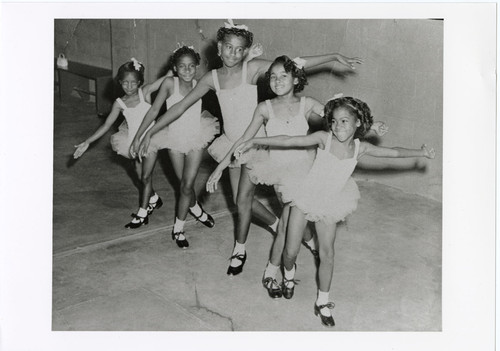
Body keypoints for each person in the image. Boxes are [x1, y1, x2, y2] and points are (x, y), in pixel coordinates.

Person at [134, 19, 363, 276]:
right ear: (219, 47)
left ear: (246, 51)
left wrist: (333, 56)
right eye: (229, 47)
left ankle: (305, 238)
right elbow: (180, 106)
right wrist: (149, 131)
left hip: (263, 145)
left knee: (294, 204)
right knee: (242, 201)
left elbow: (293, 64)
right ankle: (241, 247)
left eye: (239, 49)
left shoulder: (251, 70)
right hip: (233, 145)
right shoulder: (211, 78)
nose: (234, 53)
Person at [234, 96, 435, 327]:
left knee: (327, 254)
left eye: (345, 121)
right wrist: (253, 141)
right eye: (335, 121)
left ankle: (323, 301)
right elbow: (289, 139)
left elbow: (394, 153)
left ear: (358, 123)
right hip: (304, 198)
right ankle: (288, 276)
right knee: (290, 252)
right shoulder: (323, 139)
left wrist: (420, 153)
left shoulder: (361, 148)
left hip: (330, 203)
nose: (338, 126)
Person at [207, 56, 387, 297]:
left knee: (290, 223)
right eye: (272, 76)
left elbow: (341, 117)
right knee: (285, 225)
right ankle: (273, 270)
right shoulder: (264, 107)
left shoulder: (308, 103)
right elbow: (243, 138)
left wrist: (370, 125)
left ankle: (283, 263)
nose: (277, 80)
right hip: (277, 170)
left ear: (295, 78)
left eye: (283, 76)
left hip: (303, 171)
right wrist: (220, 167)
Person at [129, 45, 219, 249]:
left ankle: (178, 229)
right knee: (183, 186)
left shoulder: (200, 84)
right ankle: (196, 208)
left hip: (196, 136)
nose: (187, 71)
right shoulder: (170, 83)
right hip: (174, 139)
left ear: (197, 67)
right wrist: (138, 136)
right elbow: (153, 111)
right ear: (175, 68)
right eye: (182, 67)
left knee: (187, 185)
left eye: (191, 66)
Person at [73, 58, 166, 228]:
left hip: (150, 139)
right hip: (131, 140)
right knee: (139, 176)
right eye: (125, 83)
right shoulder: (119, 103)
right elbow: (107, 124)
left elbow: (165, 80)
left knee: (146, 176)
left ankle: (142, 213)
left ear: (139, 82)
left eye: (133, 83)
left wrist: (175, 65)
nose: (129, 87)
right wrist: (88, 141)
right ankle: (153, 199)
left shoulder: (144, 93)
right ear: (120, 83)